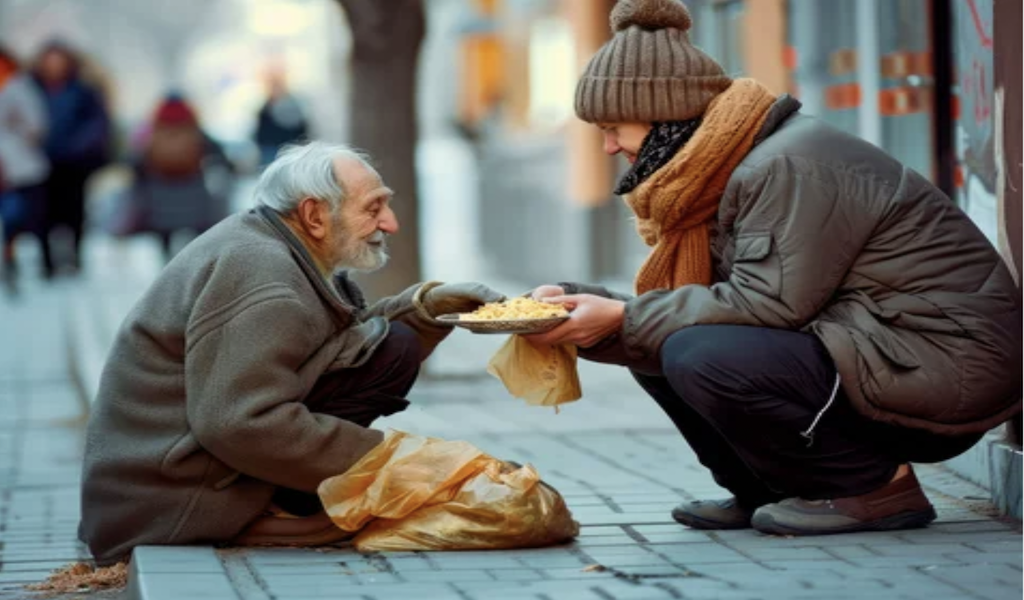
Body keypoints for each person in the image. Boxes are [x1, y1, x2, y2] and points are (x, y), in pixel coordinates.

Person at [527, 0, 1021, 536]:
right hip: (887, 349)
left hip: (946, 365)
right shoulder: (722, 169)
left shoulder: (785, 164)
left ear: (665, 114)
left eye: (613, 128)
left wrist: (623, 317)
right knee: (660, 341)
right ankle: (770, 488)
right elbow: (727, 301)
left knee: (690, 346)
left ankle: (874, 489)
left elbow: (768, 304)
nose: (606, 146)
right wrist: (585, 304)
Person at [78, 141, 505, 566]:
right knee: (393, 349)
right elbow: (239, 422)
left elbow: (341, 345)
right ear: (314, 215)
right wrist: (388, 463)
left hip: (173, 480)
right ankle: (266, 508)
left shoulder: (272, 244)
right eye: (373, 209)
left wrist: (427, 308)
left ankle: (285, 495)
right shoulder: (267, 280)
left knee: (392, 346)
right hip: (172, 507)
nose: (389, 223)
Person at [31, 40, 112, 276]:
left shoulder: (83, 91)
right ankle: (47, 263)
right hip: (40, 163)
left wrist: (77, 146)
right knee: (43, 214)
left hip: (74, 163)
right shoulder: (31, 89)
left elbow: (96, 124)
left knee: (74, 212)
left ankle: (75, 258)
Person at [126, 93, 233, 260]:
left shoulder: (156, 129)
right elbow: (219, 154)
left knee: (163, 232)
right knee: (195, 232)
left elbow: (135, 160)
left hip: (159, 190)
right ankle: (192, 264)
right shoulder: (192, 127)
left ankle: (167, 263)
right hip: (192, 189)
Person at [0, 46, 49, 290]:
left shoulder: (19, 87)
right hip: (13, 165)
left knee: (18, 218)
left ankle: (14, 259)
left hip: (20, 166)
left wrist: (15, 123)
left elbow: (36, 126)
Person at [254, 71, 309, 167]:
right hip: (270, 149)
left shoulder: (291, 104)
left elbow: (301, 127)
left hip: (288, 149)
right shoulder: (267, 105)